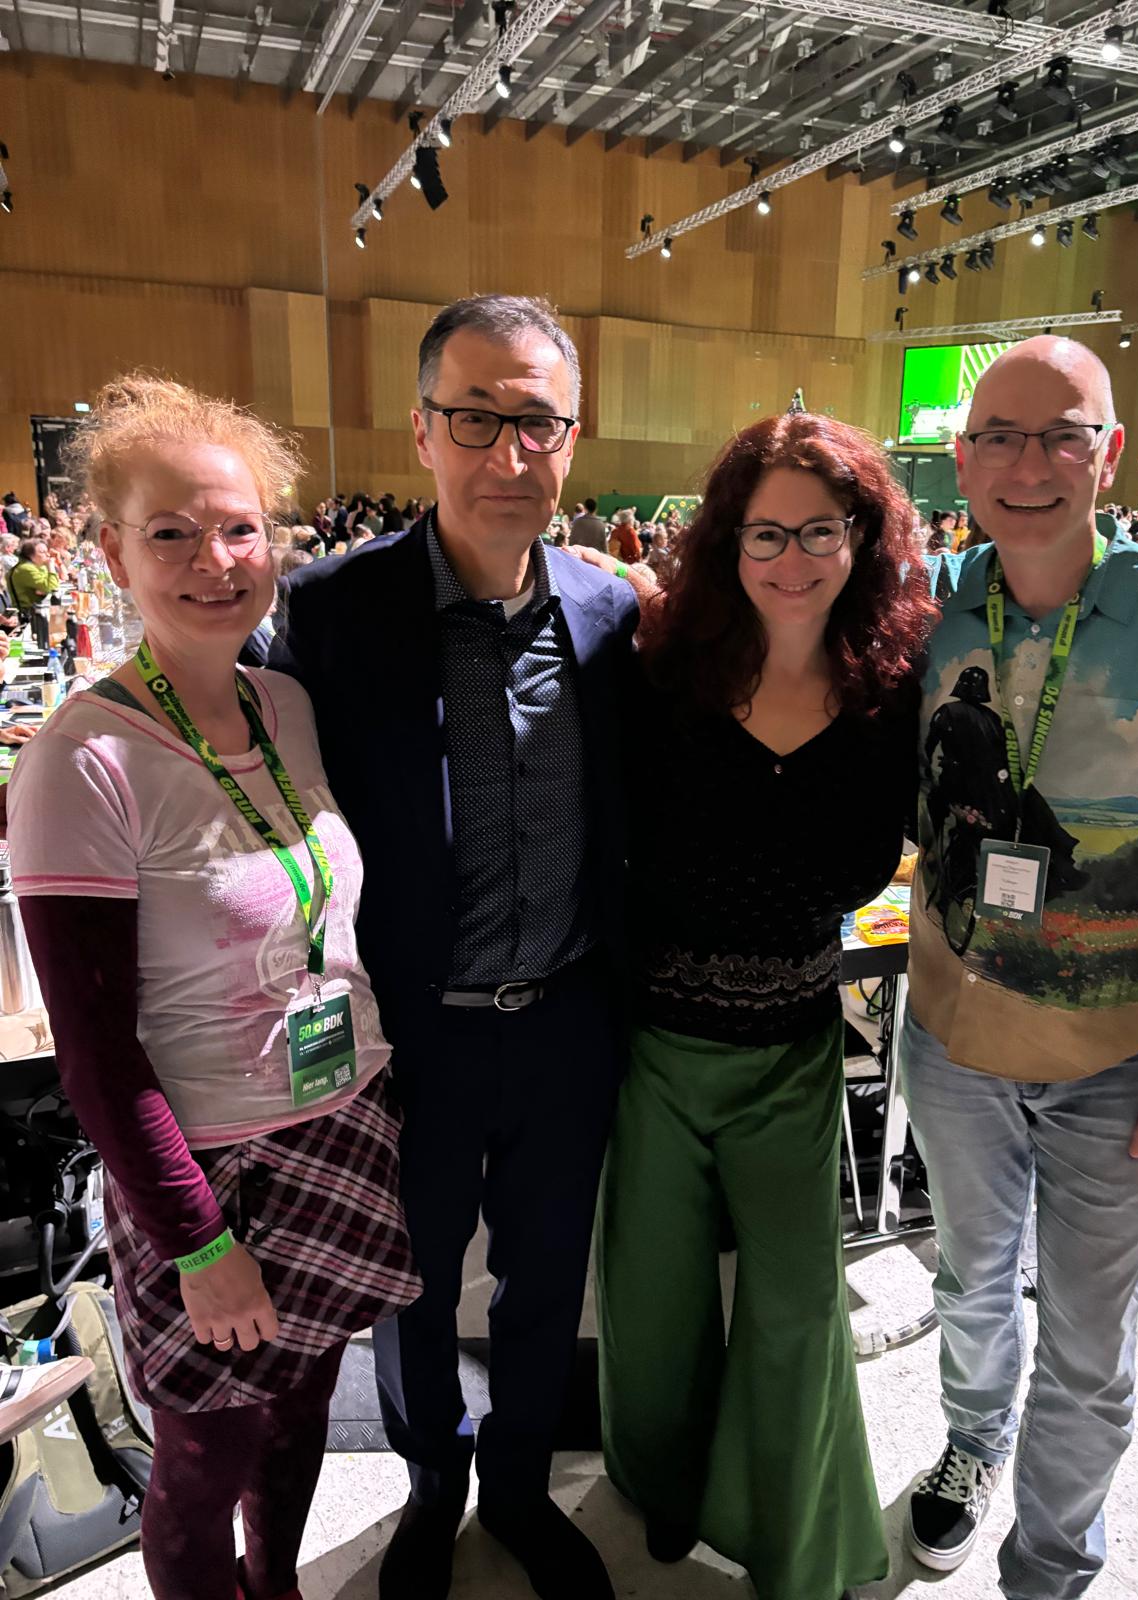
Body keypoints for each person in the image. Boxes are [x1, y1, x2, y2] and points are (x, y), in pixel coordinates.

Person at [7, 374, 420, 1600]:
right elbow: (92, 1054)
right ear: (113, 549)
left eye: (239, 527)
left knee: (295, 1418)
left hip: (338, 1125)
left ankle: (278, 1588)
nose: (214, 560)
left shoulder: (282, 704)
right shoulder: (80, 758)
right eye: (172, 532)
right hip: (207, 1168)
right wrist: (199, 1244)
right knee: (204, 1456)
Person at [270, 293, 637, 1600]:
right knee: (410, 1286)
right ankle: (431, 1486)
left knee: (545, 1277)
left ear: (571, 439)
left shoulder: (608, 612)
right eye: (473, 418)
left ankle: (525, 1488)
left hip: (567, 1021)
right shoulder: (325, 617)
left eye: (533, 422)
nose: (505, 454)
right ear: (422, 432)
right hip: (411, 1029)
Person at [596, 412, 936, 1600]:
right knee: (652, 1310)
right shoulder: (657, 674)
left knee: (798, 1318)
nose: (791, 558)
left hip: (795, 1050)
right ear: (725, 544)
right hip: (654, 1049)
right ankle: (660, 1484)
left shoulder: (896, 693)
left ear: (864, 540)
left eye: (819, 531)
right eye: (763, 533)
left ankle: (797, 1536)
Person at [902, 337, 1138, 1598]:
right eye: (1001, 437)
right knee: (971, 1284)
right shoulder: (925, 613)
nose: (1030, 465)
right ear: (962, 458)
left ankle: (1053, 1563)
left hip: (1119, 1065)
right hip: (954, 1045)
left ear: (1110, 452)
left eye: (1061, 434)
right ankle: (973, 1445)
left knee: (1088, 1347)